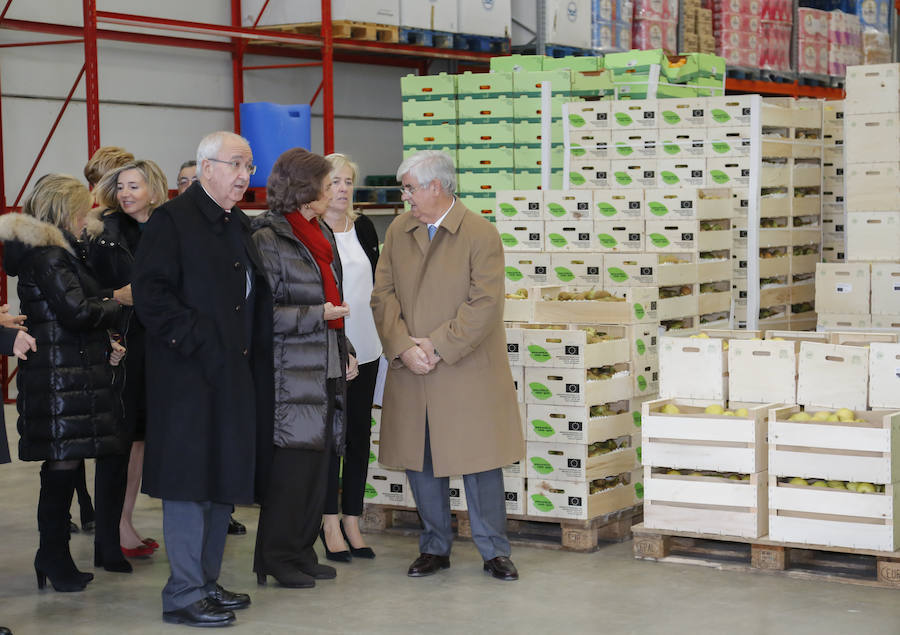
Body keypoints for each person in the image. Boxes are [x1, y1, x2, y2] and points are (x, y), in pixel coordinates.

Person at [132, 131, 274, 628]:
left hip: (232, 376)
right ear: (206, 167)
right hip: (189, 380)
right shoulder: (172, 222)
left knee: (222, 482)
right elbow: (152, 298)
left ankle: (206, 582)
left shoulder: (237, 224)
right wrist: (201, 344)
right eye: (237, 165)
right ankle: (183, 595)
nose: (244, 176)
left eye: (249, 167)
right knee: (190, 487)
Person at [370, 150, 524, 582]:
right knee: (421, 460)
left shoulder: (480, 233)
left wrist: (435, 346)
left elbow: (485, 304)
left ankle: (495, 551)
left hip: (464, 367)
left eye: (410, 189)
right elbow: (383, 296)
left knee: (480, 461)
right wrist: (403, 347)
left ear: (436, 187)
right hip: (412, 367)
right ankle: (434, 546)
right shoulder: (400, 230)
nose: (405, 198)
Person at [0, 174, 126, 592]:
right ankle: (52, 556)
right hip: (61, 375)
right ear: (64, 212)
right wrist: (115, 304)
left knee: (62, 467)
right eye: (80, 210)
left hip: (65, 373)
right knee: (61, 468)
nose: (86, 216)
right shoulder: (50, 256)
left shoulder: (51, 253)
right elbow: (75, 311)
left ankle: (52, 555)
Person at [250, 148, 358, 588]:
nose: (332, 190)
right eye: (325, 183)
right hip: (289, 372)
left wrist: (343, 343)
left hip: (325, 362)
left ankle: (301, 550)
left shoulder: (319, 233)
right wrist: (320, 315)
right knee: (291, 473)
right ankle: (275, 558)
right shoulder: (267, 238)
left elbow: (332, 297)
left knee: (319, 470)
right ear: (303, 188)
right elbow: (265, 315)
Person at [90, 160, 169, 565]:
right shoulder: (105, 233)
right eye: (121, 186)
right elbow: (89, 290)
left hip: (156, 348)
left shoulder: (167, 229)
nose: (125, 194)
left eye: (134, 186)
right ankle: (111, 533)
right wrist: (117, 296)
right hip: (122, 347)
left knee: (138, 444)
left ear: (154, 190)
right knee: (119, 444)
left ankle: (125, 522)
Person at [320, 153, 381, 561]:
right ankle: (327, 521)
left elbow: (378, 283)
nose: (342, 189)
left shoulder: (364, 226)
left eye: (347, 182)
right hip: (329, 352)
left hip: (369, 347)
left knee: (359, 436)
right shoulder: (311, 230)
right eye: (334, 182)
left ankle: (353, 518)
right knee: (329, 440)